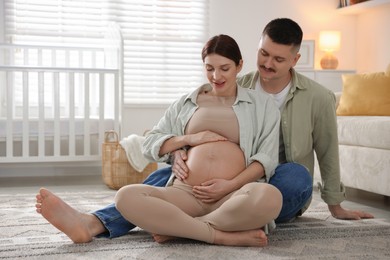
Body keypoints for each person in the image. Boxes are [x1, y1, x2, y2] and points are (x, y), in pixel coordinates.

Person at [35, 18, 373, 244]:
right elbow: (164, 135)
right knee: (154, 179)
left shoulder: (315, 97)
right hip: (195, 187)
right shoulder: (223, 87)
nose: (268, 64)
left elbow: (324, 150)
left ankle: (175, 224)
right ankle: (95, 223)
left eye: (279, 60)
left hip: (261, 179)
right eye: (263, 54)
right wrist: (180, 146)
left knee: (294, 178)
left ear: (295, 59)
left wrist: (336, 205)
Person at [36, 34, 283, 247]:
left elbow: (266, 159)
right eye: (209, 68)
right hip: (185, 193)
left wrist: (228, 186)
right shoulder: (187, 103)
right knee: (125, 196)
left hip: (233, 195)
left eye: (224, 68)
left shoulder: (261, 106)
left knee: (270, 196)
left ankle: (181, 229)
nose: (216, 76)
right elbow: (150, 142)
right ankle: (219, 236)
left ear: (239, 66)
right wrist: (187, 140)